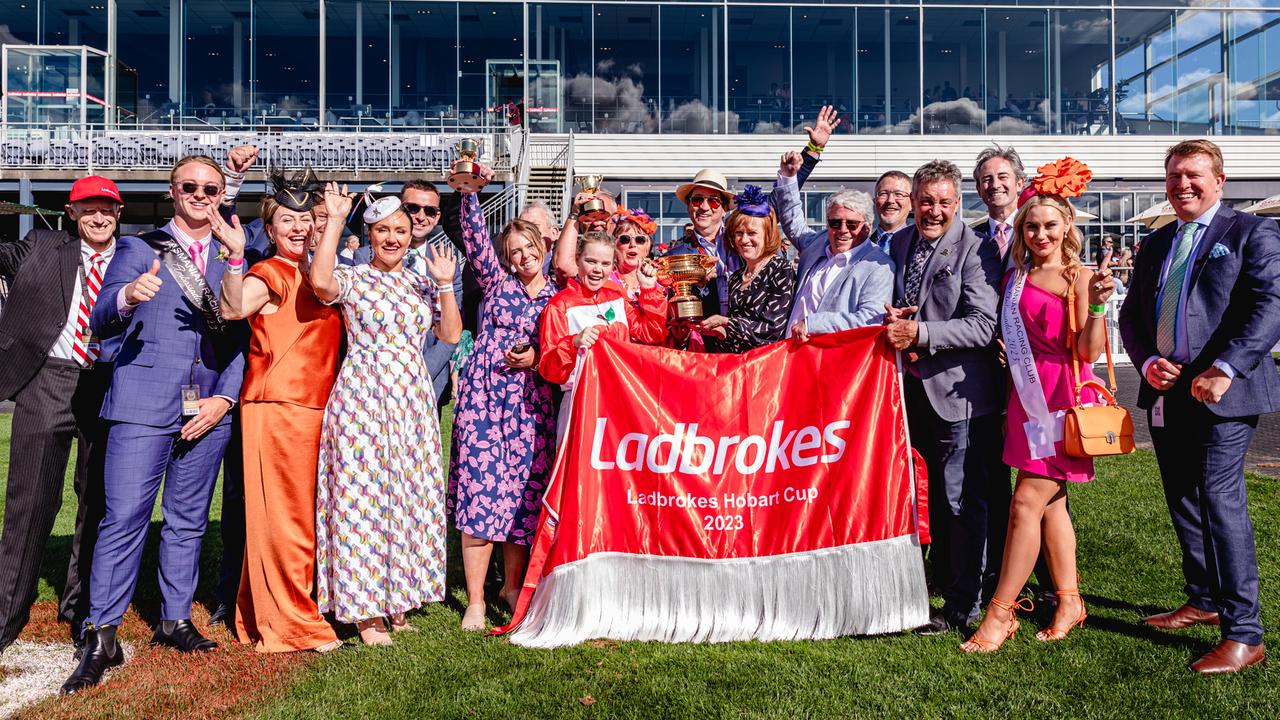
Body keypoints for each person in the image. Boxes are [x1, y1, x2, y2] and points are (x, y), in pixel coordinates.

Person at [66, 156, 247, 693]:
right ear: (172, 192)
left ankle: (173, 619)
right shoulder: (139, 247)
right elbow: (99, 315)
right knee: (123, 519)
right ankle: (102, 633)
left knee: (188, 520)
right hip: (142, 402)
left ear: (220, 194)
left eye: (210, 188)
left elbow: (241, 337)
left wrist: (226, 399)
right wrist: (126, 297)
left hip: (206, 407)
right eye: (189, 186)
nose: (199, 194)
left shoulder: (234, 252)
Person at [1118, 139, 1280, 675]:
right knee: (1183, 499)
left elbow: (1269, 304)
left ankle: (1245, 633)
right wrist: (1144, 363)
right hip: (1166, 390)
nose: (1181, 184)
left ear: (1219, 180)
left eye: (1192, 175)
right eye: (1173, 176)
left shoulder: (1252, 232)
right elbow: (1132, 319)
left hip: (1223, 393)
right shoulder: (1158, 241)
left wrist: (1225, 368)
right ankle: (1203, 599)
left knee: (1218, 500)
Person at [961, 166, 1113, 653]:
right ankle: (1069, 600)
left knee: (1025, 502)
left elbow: (1089, 352)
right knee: (1051, 507)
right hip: (1026, 397)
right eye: (1031, 226)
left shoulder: (1079, 276)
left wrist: (1096, 309)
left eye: (1050, 225)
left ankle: (1001, 613)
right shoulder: (1019, 273)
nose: (1040, 234)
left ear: (1067, 225)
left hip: (1060, 397)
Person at [310, 187, 461, 646]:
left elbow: (450, 333)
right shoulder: (353, 277)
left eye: (400, 229)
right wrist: (336, 220)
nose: (393, 237)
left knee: (407, 495)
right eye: (383, 230)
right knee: (362, 498)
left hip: (412, 398)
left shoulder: (420, 282)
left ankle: (398, 598)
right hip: (363, 397)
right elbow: (319, 283)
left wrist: (445, 284)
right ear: (370, 234)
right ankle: (364, 610)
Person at [213, 179, 343, 654]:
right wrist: (234, 258)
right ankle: (291, 622)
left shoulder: (321, 272)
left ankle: (270, 608)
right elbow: (232, 308)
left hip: (318, 412)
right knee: (284, 519)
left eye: (305, 218)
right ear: (270, 228)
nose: (297, 226)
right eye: (286, 219)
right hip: (278, 409)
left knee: (303, 517)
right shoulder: (269, 271)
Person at [0, 176, 123, 658]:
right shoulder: (41, 244)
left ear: (117, 212)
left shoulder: (135, 254)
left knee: (98, 499)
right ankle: (7, 612)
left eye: (107, 209)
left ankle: (83, 610)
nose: (98, 217)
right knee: (28, 504)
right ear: (71, 213)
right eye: (88, 209)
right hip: (48, 379)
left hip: (109, 383)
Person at [884, 159, 1005, 636]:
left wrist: (921, 332)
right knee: (927, 496)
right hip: (908, 390)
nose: (934, 211)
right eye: (926, 201)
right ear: (913, 202)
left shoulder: (976, 249)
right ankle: (942, 579)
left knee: (960, 500)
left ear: (958, 203)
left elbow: (982, 323)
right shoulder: (898, 242)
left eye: (944, 203)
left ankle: (963, 604)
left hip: (960, 395)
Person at [449, 167, 559, 631]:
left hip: (533, 405)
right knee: (481, 493)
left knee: (521, 498)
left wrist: (536, 357)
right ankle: (475, 601)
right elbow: (474, 240)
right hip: (485, 400)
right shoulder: (497, 284)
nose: (522, 255)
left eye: (529, 247)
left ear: (543, 247)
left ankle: (512, 586)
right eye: (514, 251)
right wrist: (471, 195)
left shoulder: (559, 295)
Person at [540, 232, 668, 438]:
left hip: (620, 398)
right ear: (577, 260)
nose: (598, 270)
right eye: (591, 261)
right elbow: (549, 369)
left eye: (605, 263)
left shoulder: (616, 298)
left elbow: (651, 333)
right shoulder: (559, 305)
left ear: (613, 266)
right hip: (581, 401)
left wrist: (649, 288)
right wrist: (572, 343)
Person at [771, 154, 893, 338]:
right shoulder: (818, 243)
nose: (842, 230)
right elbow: (792, 220)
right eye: (835, 223)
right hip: (791, 356)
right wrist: (788, 176)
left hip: (832, 360)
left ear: (867, 228)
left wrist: (813, 324)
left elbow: (871, 318)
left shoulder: (878, 265)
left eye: (852, 224)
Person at [700, 185, 796, 353]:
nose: (744, 240)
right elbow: (737, 334)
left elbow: (773, 330)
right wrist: (720, 333)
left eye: (752, 233)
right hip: (737, 367)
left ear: (767, 234)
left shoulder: (780, 269)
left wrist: (727, 324)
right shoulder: (737, 277)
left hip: (766, 367)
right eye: (739, 233)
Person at [667, 169, 740, 316]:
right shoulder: (675, 256)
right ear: (689, 207)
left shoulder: (742, 244)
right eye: (697, 199)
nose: (704, 207)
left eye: (713, 201)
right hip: (701, 336)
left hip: (743, 333)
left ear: (724, 209)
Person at [972, 145, 1027, 264]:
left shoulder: (1035, 231)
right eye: (987, 179)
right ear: (978, 189)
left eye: (1003, 177)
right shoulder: (969, 237)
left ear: (1019, 183)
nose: (995, 185)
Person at [873, 171, 914, 255]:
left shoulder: (919, 244)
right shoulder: (860, 244)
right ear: (875, 200)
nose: (890, 200)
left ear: (911, 203)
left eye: (899, 194)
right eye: (883, 194)